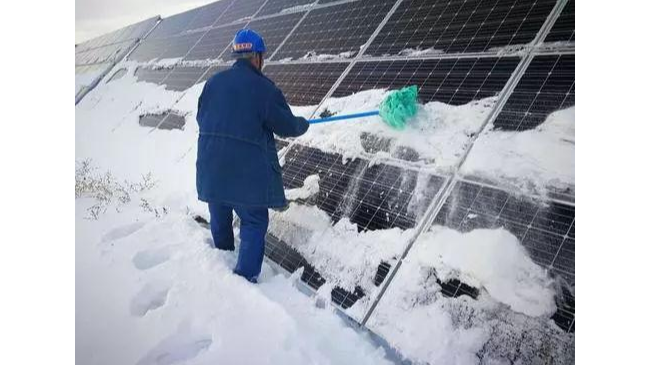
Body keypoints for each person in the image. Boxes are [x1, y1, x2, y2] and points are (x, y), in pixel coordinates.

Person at [196, 29, 309, 283]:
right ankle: (244, 280)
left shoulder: (213, 83)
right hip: (246, 176)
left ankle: (222, 257)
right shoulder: (264, 89)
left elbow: (200, 117)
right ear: (257, 57)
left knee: (219, 211)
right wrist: (304, 123)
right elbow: (287, 126)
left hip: (211, 168)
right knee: (254, 221)